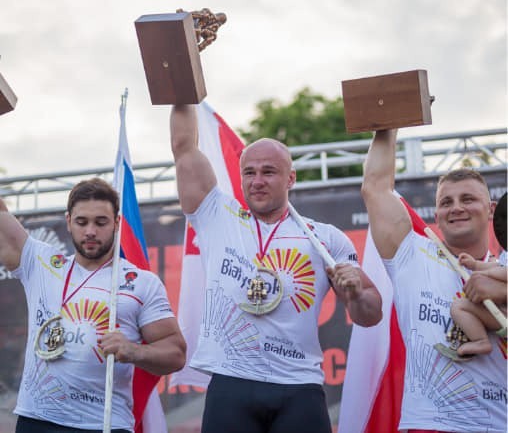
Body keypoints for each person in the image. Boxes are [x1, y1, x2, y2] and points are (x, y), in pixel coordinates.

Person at [170, 104, 382, 433]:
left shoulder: (324, 238)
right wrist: (181, 88)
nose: (257, 181)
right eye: (249, 172)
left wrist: (354, 292)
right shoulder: (217, 217)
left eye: (268, 172)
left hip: (298, 387)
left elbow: (370, 314)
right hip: (231, 382)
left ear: (290, 178)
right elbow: (184, 148)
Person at [0, 178, 186, 433]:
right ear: (68, 221)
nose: (90, 231)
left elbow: (176, 353)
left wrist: (133, 351)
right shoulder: (41, 264)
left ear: (116, 223)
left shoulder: (141, 283)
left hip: (104, 423)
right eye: (81, 222)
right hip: (38, 420)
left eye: (100, 222)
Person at [361, 129, 507, 433]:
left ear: (491, 209)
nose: (456, 208)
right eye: (446, 202)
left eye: (468, 199)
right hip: (431, 423)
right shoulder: (412, 255)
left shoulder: (504, 267)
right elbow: (376, 187)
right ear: (437, 215)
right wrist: (387, 125)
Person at [449, 253, 507, 357]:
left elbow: (504, 271)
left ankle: (480, 341)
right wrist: (475, 265)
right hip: (497, 310)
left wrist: (485, 275)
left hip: (504, 313)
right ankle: (481, 340)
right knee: (459, 305)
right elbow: (499, 266)